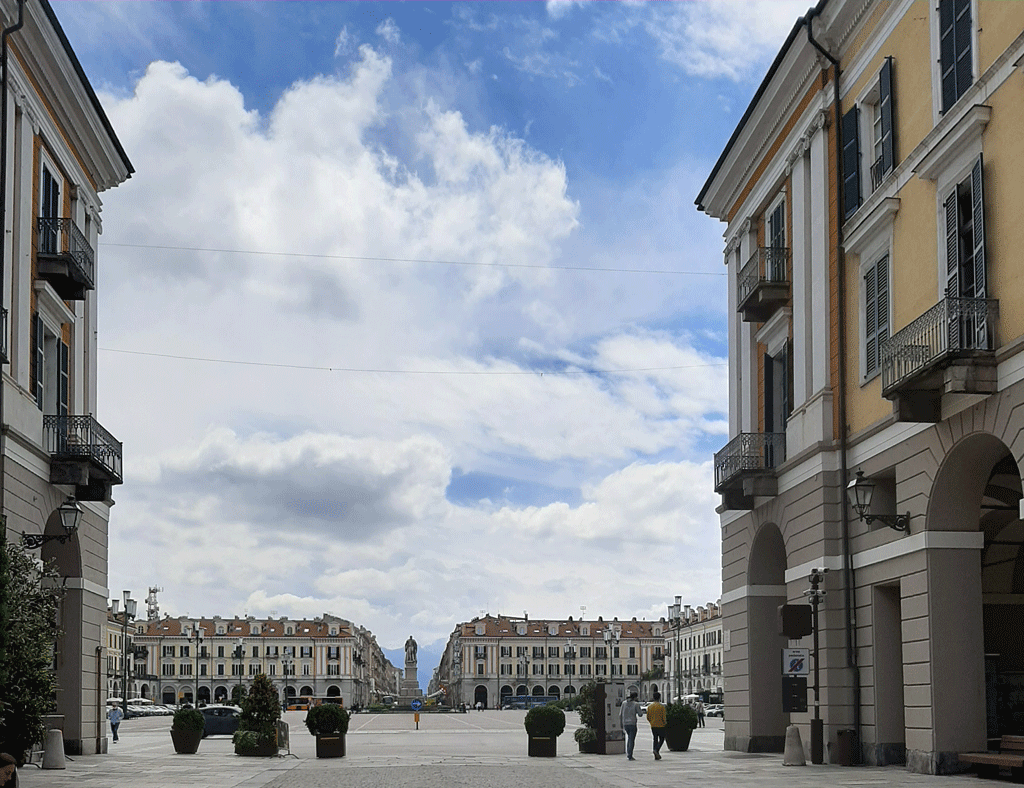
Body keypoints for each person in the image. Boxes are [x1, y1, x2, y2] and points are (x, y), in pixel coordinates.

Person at [619, 691, 643, 761]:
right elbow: (640, 714)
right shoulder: (636, 704)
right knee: (631, 739)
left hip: (625, 723)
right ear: (635, 697)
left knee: (629, 738)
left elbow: (620, 714)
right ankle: (630, 754)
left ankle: (628, 753)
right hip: (632, 723)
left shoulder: (624, 703)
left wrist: (621, 723)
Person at [646, 690, 667, 760]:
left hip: (653, 725)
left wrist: (651, 722)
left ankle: (655, 752)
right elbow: (664, 717)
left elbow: (648, 716)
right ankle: (656, 750)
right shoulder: (661, 706)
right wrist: (665, 723)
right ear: (659, 698)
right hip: (661, 725)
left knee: (655, 739)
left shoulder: (650, 706)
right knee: (662, 739)